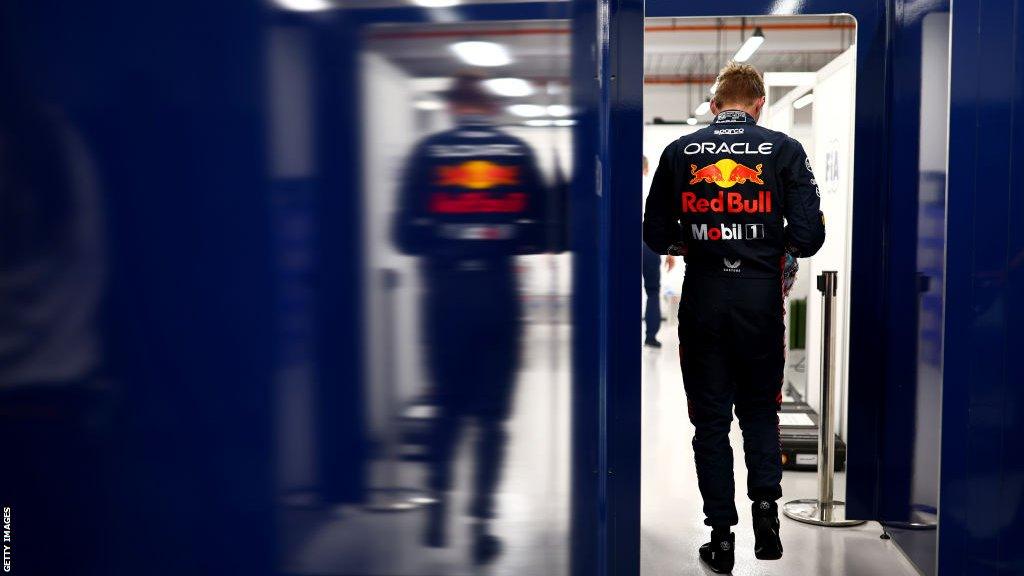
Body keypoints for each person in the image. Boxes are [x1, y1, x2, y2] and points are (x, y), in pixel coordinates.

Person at [643, 62, 825, 573]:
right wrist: (766, 245)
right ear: (760, 103)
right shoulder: (785, 149)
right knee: (760, 413)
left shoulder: (680, 151)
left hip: (703, 300)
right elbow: (810, 238)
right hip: (759, 302)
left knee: (710, 425)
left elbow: (656, 235)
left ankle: (721, 538)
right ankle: (765, 508)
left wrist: (699, 241)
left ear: (715, 103)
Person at [393, 73, 551, 565]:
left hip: (444, 296)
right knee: (493, 418)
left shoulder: (428, 151)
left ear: (450, 105)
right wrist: (499, 239)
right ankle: (481, 523)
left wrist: (443, 243)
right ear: (490, 106)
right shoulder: (515, 151)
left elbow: (402, 234)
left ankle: (438, 502)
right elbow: (543, 230)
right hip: (498, 293)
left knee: (447, 405)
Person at [642, 155, 675, 348]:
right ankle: (650, 337)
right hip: (649, 245)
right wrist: (670, 251)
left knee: (623, 290)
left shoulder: (619, 186)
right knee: (653, 291)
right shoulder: (652, 188)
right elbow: (663, 221)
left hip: (626, 244)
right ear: (646, 169)